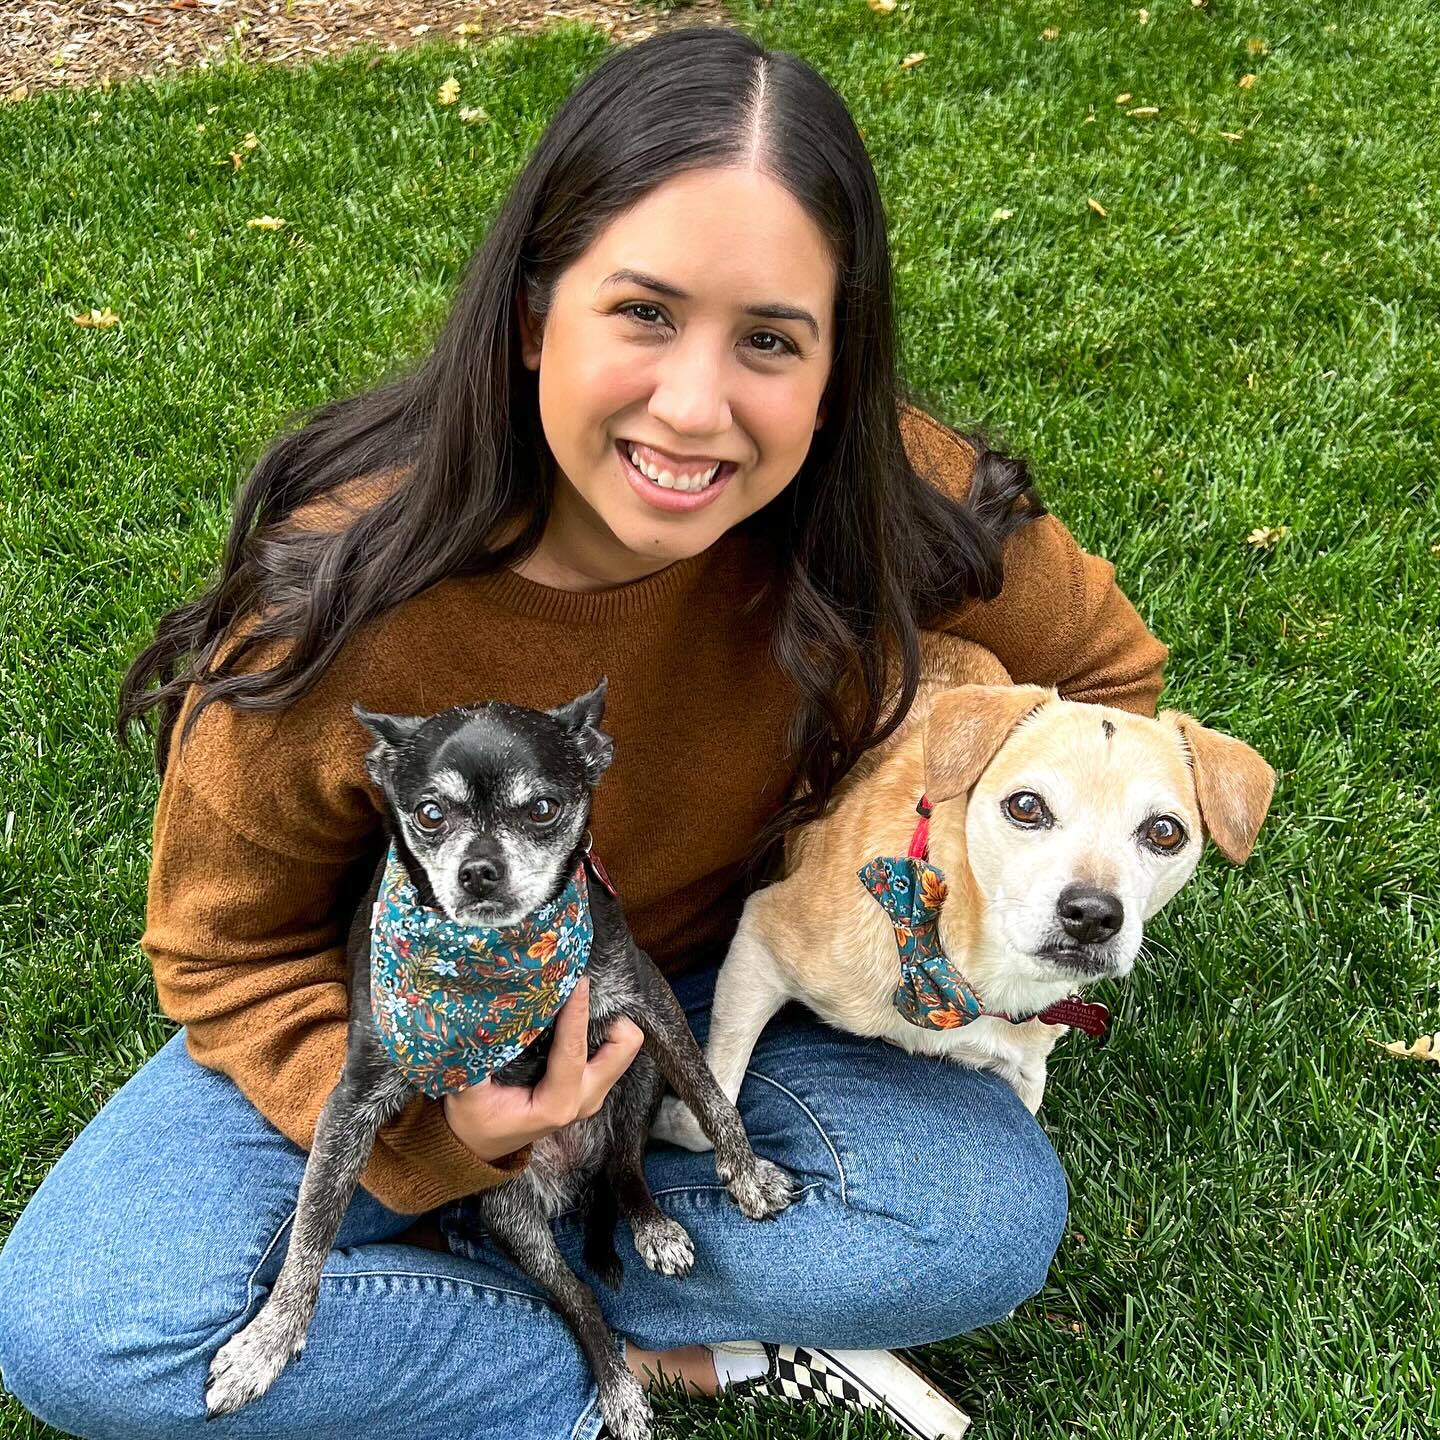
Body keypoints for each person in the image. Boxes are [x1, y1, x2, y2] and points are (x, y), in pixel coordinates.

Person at [0, 25, 1167, 1440]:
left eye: (770, 341)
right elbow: (217, 950)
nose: (694, 405)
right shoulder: (347, 595)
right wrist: (433, 1137)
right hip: (409, 1019)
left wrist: (959, 870)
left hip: (728, 986)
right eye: (644, 313)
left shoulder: (885, 495)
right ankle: (635, 1342)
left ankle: (529, 1280)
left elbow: (1111, 686)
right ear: (534, 309)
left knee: (976, 1224)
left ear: (836, 362)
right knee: (84, 1331)